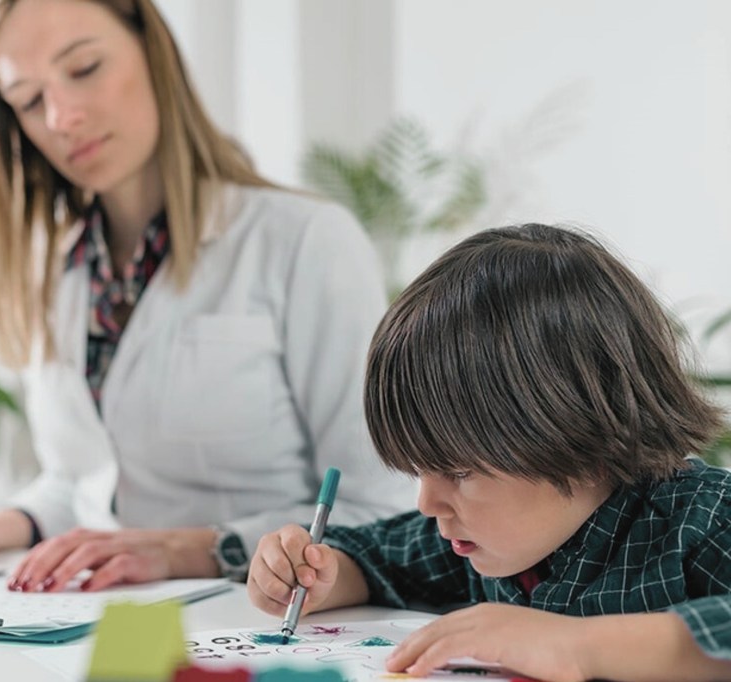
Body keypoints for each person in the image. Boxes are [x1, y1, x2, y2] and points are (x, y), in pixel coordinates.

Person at [0, 0, 415, 593]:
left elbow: (382, 507)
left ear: (153, 52)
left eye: (84, 68)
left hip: (257, 614)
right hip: (104, 609)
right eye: (30, 101)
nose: (61, 117)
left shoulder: (306, 241)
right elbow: (84, 480)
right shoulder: (61, 270)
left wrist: (189, 550)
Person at [248, 224, 731, 682]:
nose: (427, 503)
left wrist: (576, 645)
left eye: (459, 472)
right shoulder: (491, 537)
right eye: (420, 471)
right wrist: (315, 575)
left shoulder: (703, 519)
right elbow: (375, 558)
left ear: (585, 445)